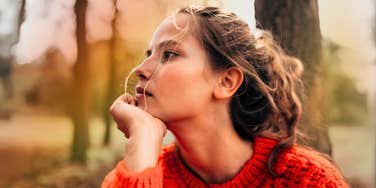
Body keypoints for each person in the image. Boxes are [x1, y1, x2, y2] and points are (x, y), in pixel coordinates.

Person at [102, 6, 348, 188]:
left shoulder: (307, 181)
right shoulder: (135, 172)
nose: (140, 70)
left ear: (226, 81)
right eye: (149, 54)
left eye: (169, 54)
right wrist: (142, 138)